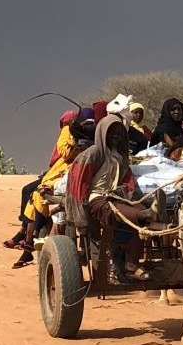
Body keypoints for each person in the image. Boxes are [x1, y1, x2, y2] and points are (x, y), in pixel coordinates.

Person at [11, 107, 95, 268]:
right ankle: (29, 238)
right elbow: (64, 153)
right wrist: (77, 144)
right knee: (36, 193)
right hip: (66, 173)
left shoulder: (100, 135)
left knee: (38, 193)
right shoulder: (69, 132)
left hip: (75, 174)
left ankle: (28, 239)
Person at [69, 114, 146, 280]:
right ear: (103, 133)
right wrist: (82, 210)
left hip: (116, 197)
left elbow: (128, 180)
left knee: (143, 216)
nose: (116, 138)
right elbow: (80, 180)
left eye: (119, 134)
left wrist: (126, 190)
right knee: (131, 214)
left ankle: (131, 261)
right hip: (97, 199)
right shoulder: (94, 153)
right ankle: (143, 215)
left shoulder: (120, 157)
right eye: (112, 134)